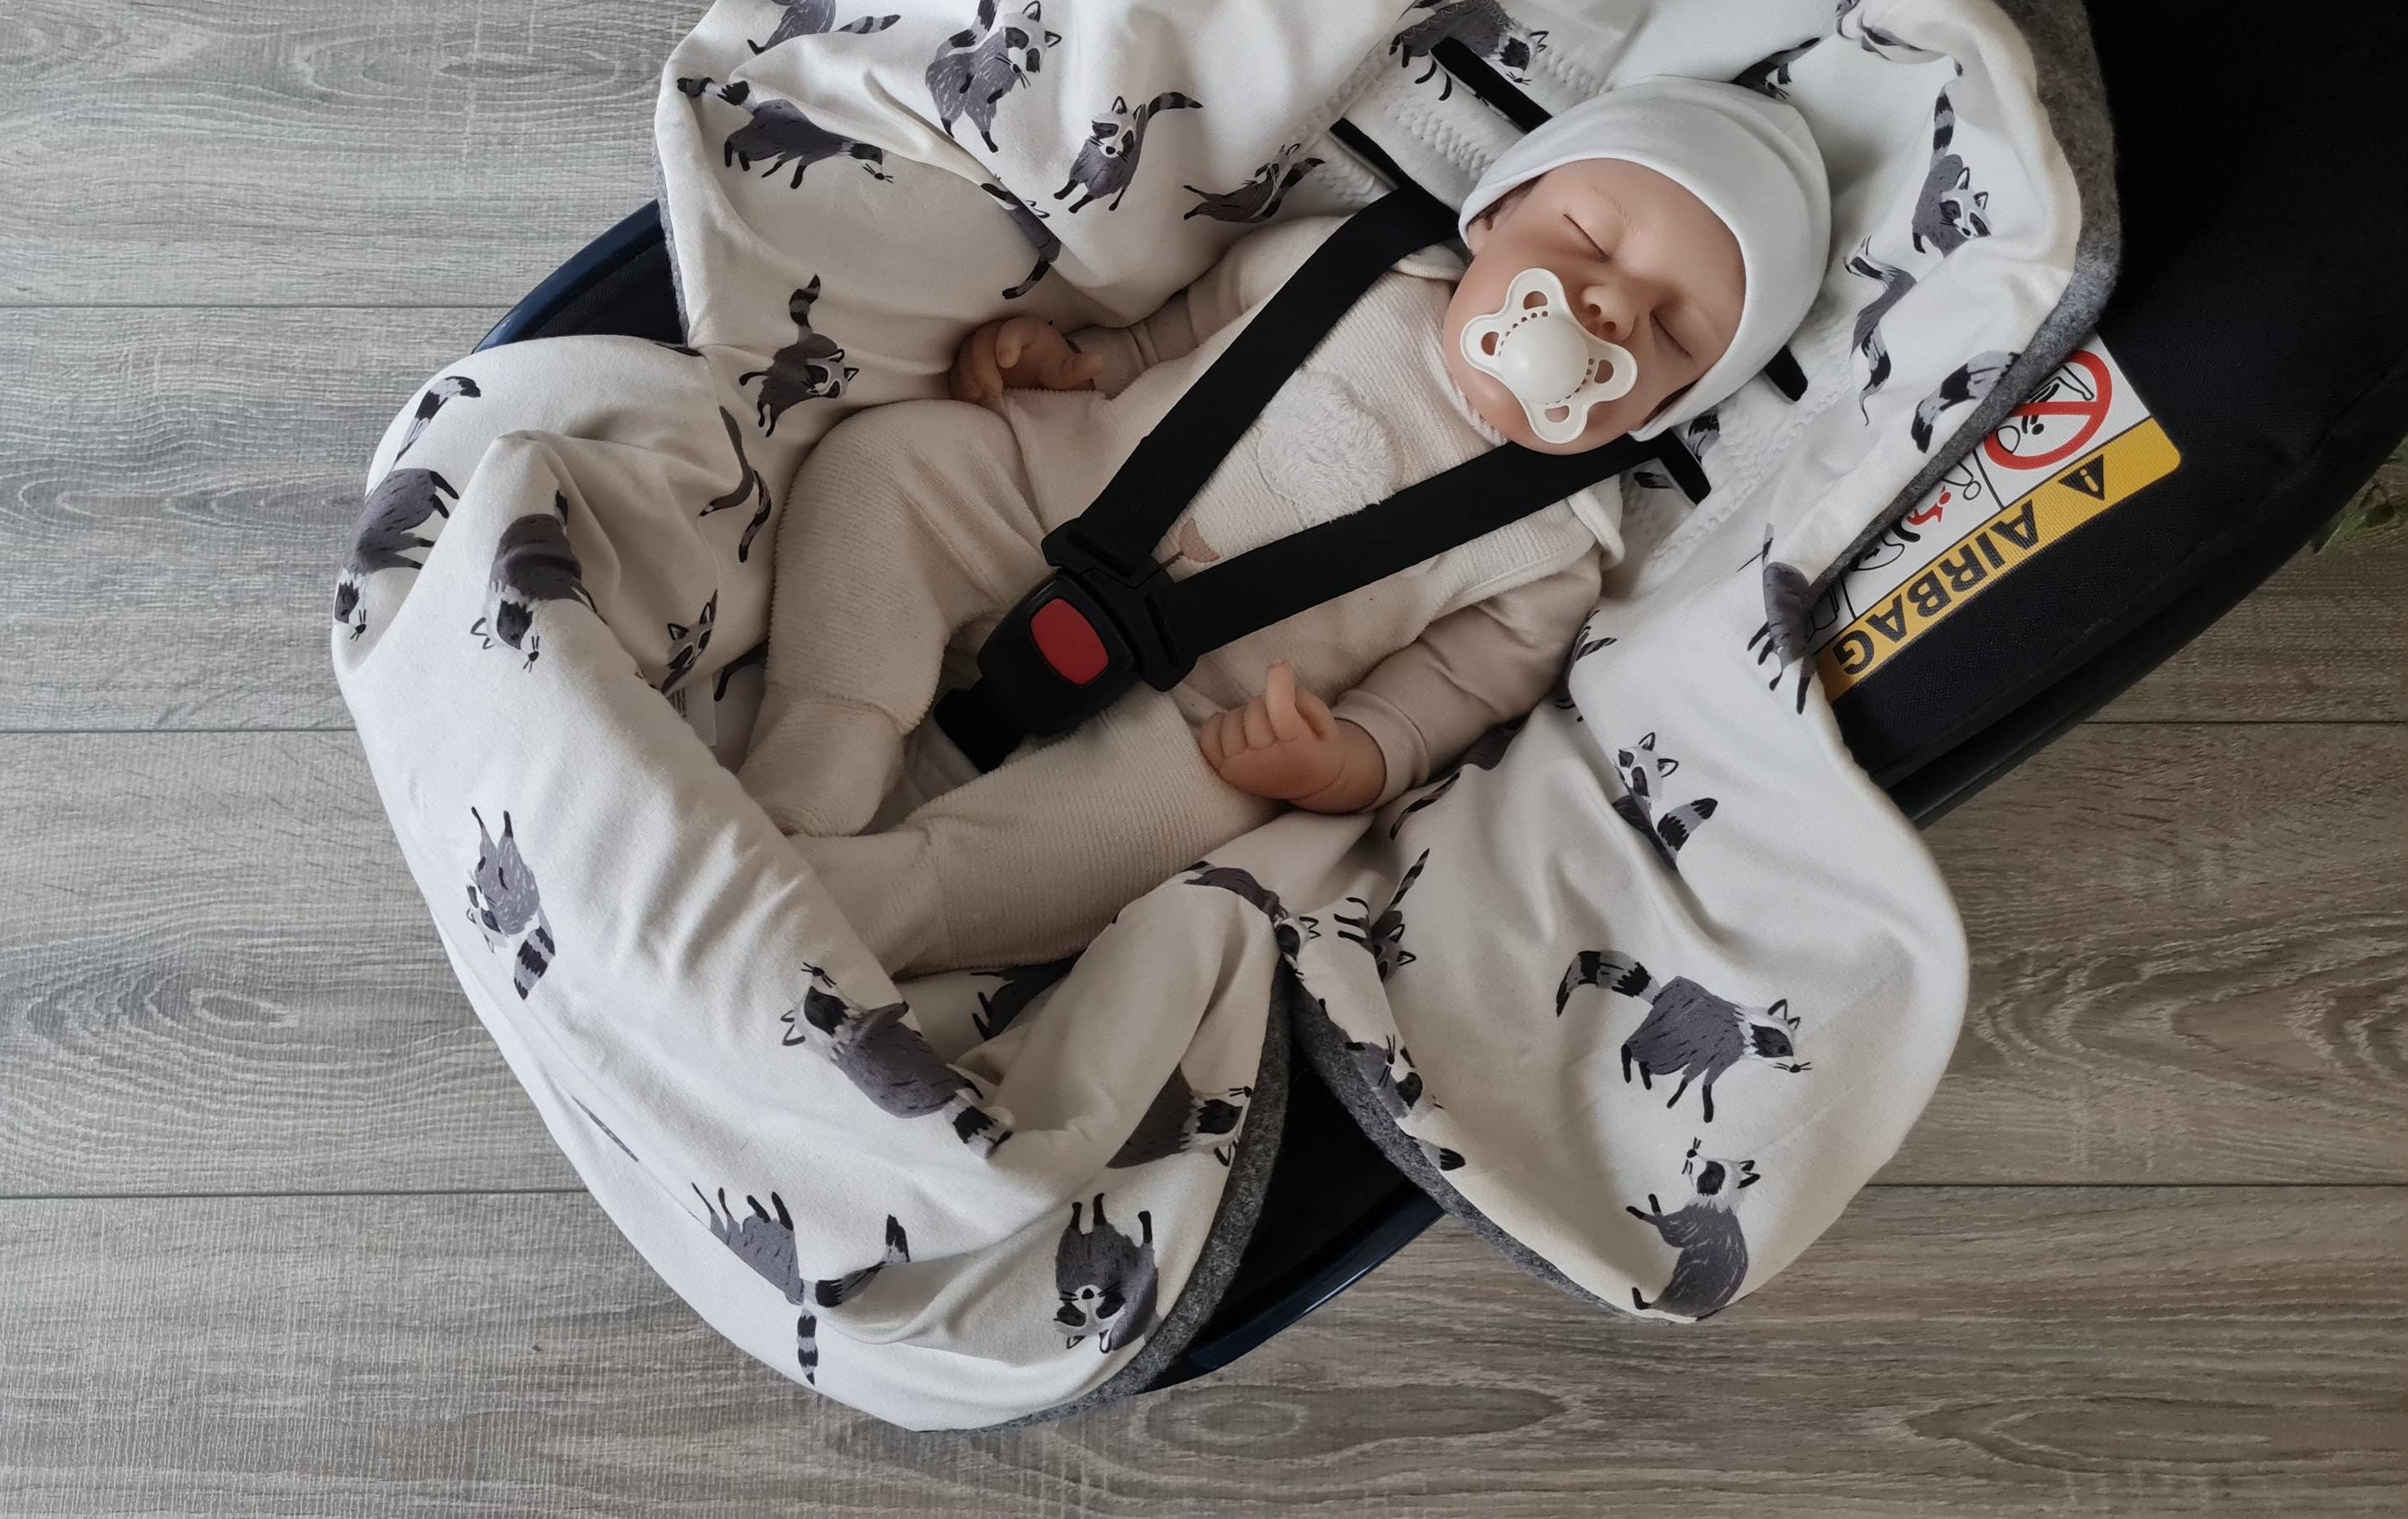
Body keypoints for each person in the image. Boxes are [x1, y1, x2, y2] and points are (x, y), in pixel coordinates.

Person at [737, 76, 1830, 975]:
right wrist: (1075, 364)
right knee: (884, 465)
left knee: (1181, 826)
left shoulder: (1559, 546)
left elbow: (1442, 697)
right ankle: (811, 772)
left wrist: (1347, 760)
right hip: (1037, 498)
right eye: (1589, 235)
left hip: (1194, 714)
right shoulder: (1351, 263)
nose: (1613, 307)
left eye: (1672, 334)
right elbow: (1176, 338)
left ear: (1665, 407)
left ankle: (883, 906)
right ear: (1496, 214)